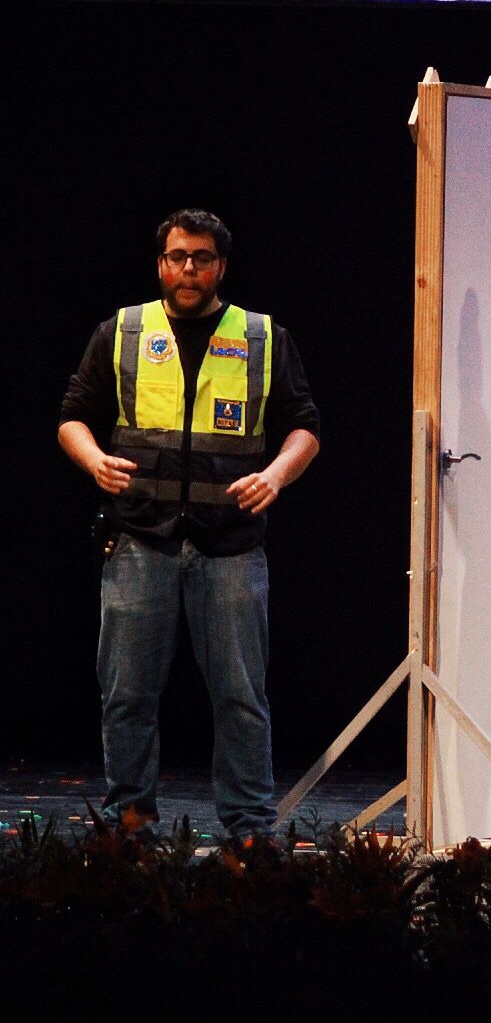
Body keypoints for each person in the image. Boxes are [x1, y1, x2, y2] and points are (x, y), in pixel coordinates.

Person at [58, 208, 321, 839]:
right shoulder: (122, 331)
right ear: (160, 264)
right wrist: (94, 460)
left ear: (220, 266)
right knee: (126, 696)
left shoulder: (261, 337)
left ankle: (250, 831)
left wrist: (277, 476)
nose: (189, 269)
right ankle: (129, 824)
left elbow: (305, 427)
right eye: (177, 256)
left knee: (240, 700)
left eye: (202, 258)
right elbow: (72, 415)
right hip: (139, 541)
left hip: (230, 545)